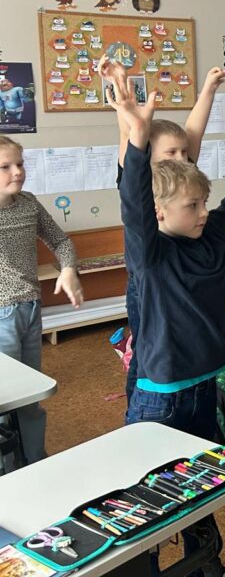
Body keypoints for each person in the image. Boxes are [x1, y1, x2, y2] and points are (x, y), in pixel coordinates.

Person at [107, 61, 225, 577]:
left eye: (203, 203)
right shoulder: (149, 255)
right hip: (162, 397)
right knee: (149, 496)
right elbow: (133, 203)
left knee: (198, 488)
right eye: (193, 205)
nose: (203, 212)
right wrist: (136, 137)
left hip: (208, 386)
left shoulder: (211, 232)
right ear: (160, 212)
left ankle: (207, 566)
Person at [113, 64, 225, 405]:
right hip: (148, 280)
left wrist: (208, 89)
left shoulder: (182, 176)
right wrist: (118, 86)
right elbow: (129, 136)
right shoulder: (138, 178)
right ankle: (142, 405)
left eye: (184, 153)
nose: (183, 159)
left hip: (174, 271)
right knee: (149, 353)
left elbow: (193, 132)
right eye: (171, 153)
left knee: (177, 343)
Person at [0, 136, 82, 466]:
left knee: (31, 395)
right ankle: (9, 473)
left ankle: (35, 462)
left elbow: (61, 242)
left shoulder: (29, 203)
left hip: (30, 310)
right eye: (5, 167)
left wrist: (69, 270)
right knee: (4, 401)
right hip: (1, 316)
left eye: (20, 164)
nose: (17, 172)